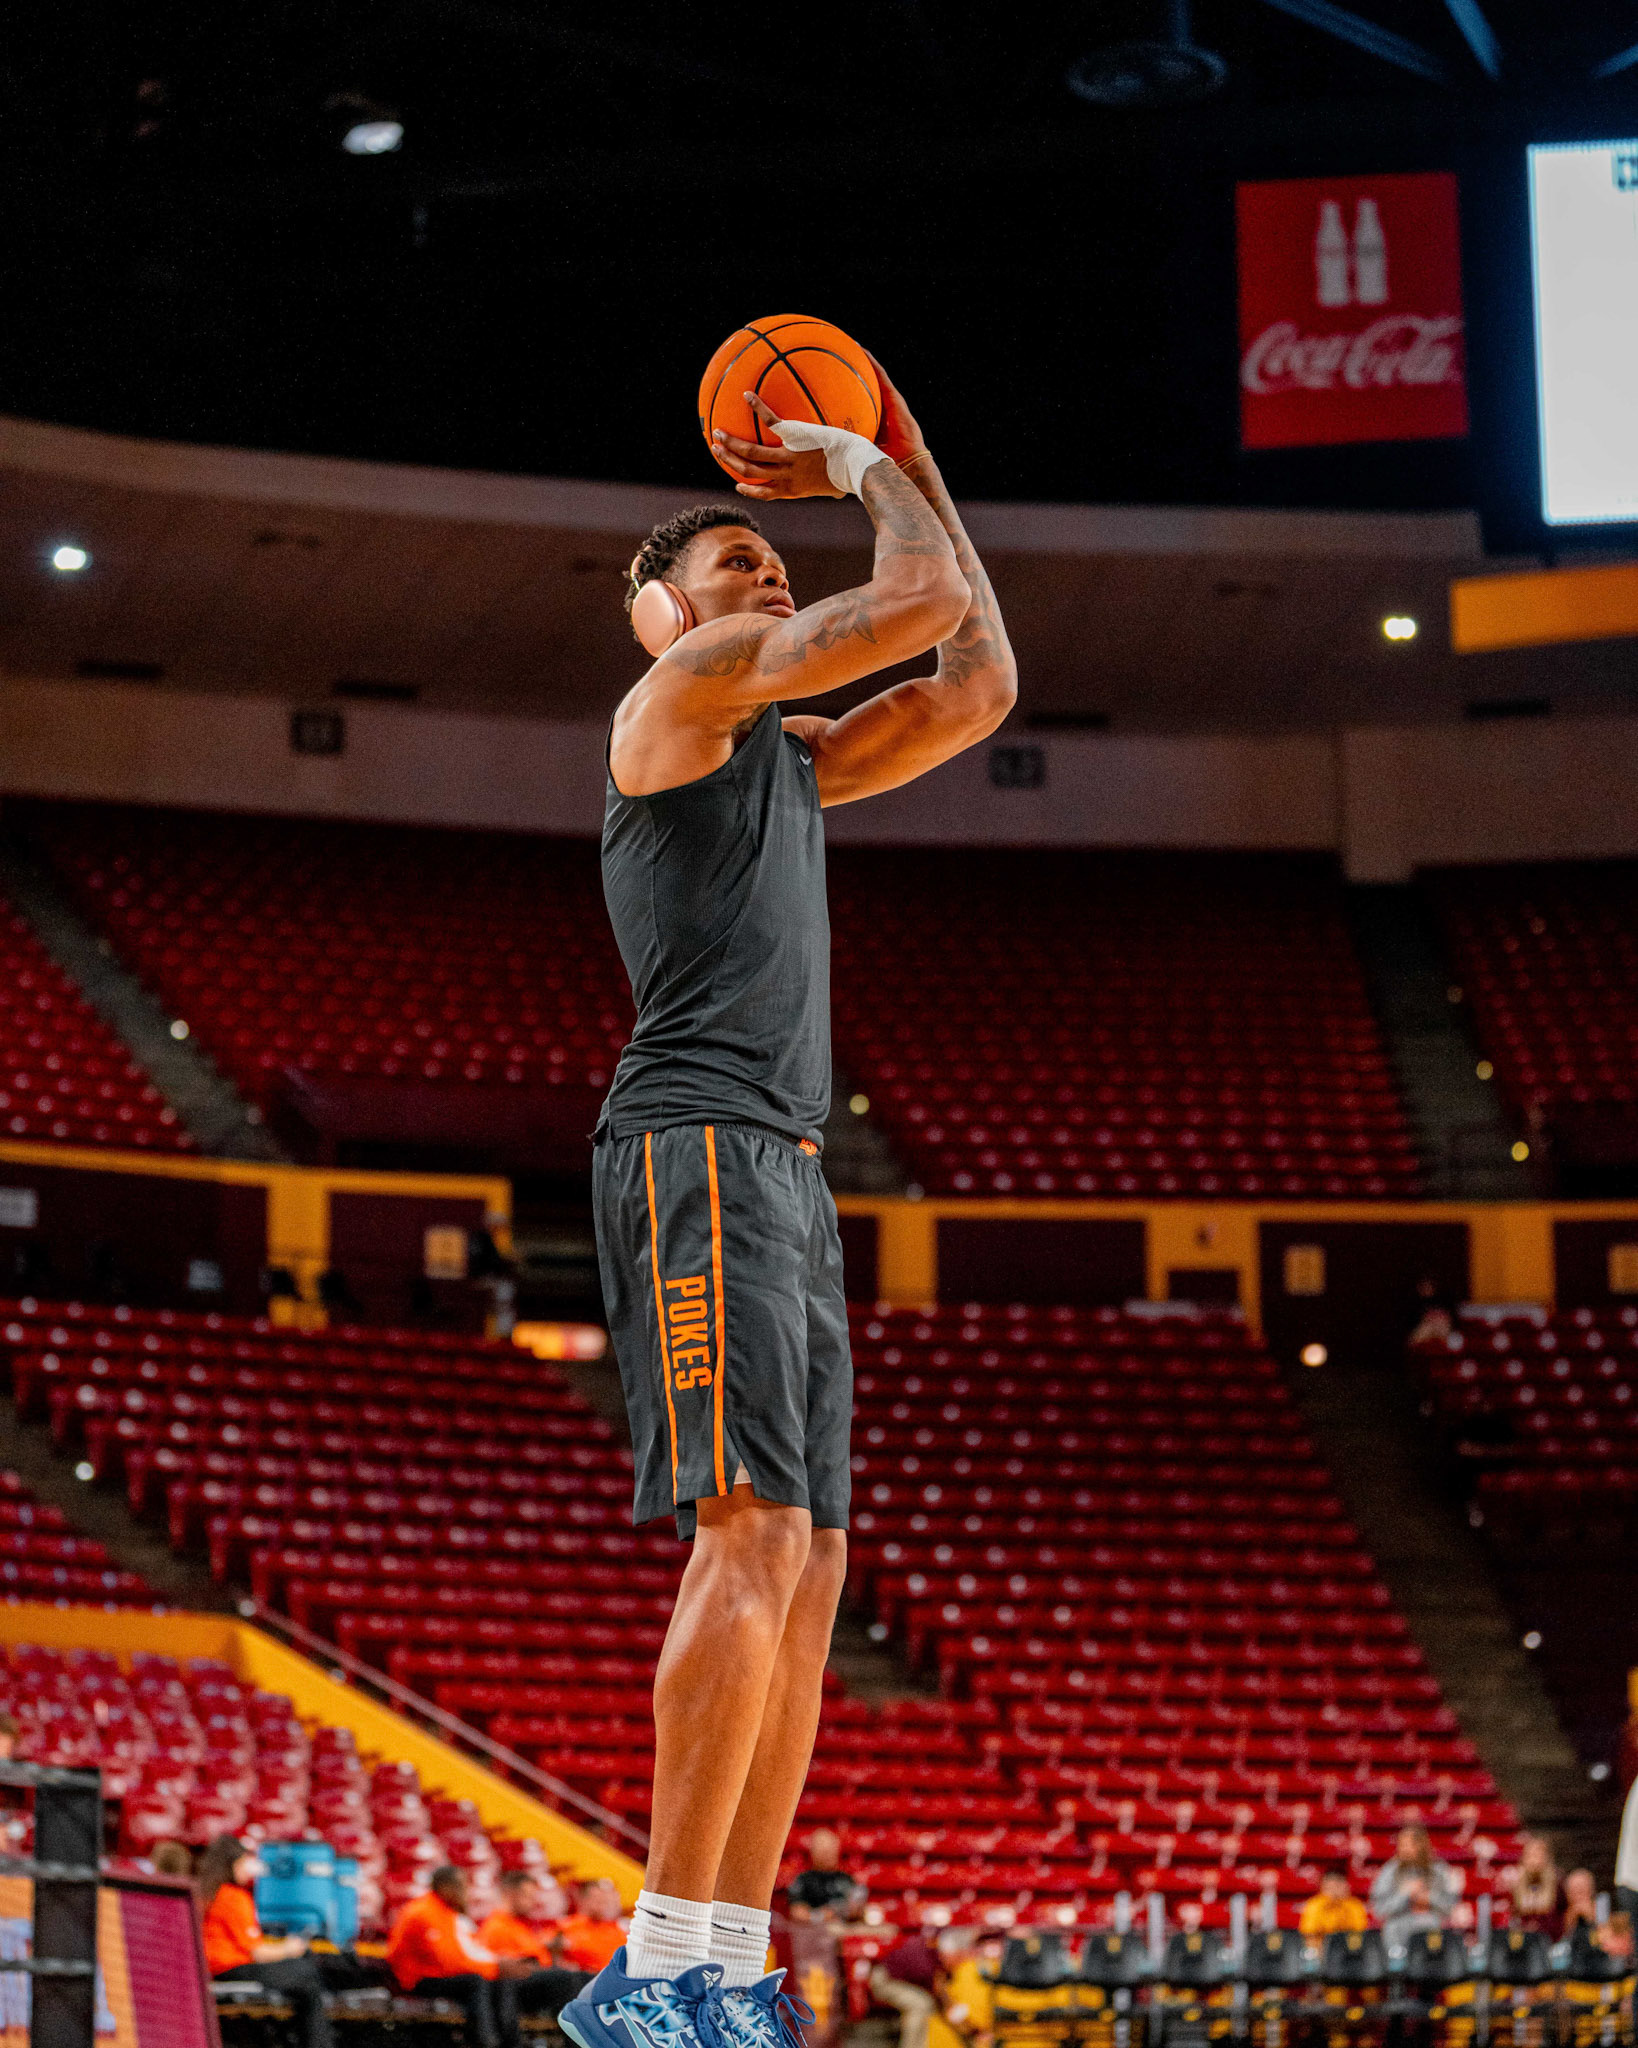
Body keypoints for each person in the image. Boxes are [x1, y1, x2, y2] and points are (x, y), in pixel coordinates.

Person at [567, 359, 1014, 2048]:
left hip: (784, 1161)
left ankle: (724, 1961)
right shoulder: (684, 693)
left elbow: (972, 670)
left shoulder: (790, 756)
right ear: (660, 613)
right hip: (693, 1140)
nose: (766, 570)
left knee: (815, 1562)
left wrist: (911, 456)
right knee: (749, 1531)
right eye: (737, 561)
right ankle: (656, 1964)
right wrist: (853, 464)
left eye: (776, 556)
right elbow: (901, 596)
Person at [196, 1835, 339, 2048]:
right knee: (307, 1975)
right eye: (244, 1863)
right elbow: (257, 1953)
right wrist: (290, 1948)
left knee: (299, 1975)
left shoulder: (207, 1893)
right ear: (232, 1864)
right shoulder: (233, 1897)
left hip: (213, 1969)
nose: (249, 1870)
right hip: (231, 1968)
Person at [386, 1865, 510, 2048]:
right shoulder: (423, 1912)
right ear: (445, 1887)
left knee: (500, 1984)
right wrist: (494, 1969)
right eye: (461, 1885)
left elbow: (466, 1952)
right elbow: (447, 1961)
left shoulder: (448, 1913)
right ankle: (484, 2042)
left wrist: (496, 1969)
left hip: (436, 1974)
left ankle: (508, 2042)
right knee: (475, 1982)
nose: (465, 1891)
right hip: (415, 1980)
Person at [479, 1869, 589, 2019]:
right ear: (511, 1895)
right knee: (568, 1979)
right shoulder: (496, 1926)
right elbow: (512, 1968)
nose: (534, 1902)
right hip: (515, 1990)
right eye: (528, 1896)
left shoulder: (519, 1925)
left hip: (538, 1981)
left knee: (586, 1978)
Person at [1370, 1825, 1459, 1946]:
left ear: (1421, 1845)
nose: (1403, 1849)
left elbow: (1451, 1907)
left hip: (1431, 1930)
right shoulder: (1390, 1870)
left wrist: (1429, 1898)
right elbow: (1379, 1909)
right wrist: (1405, 1893)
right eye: (1401, 1845)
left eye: (1409, 1845)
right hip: (1397, 1932)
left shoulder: (1439, 1869)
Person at [870, 1923, 942, 2048]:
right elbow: (927, 1979)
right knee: (921, 2004)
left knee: (925, 2002)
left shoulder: (927, 1949)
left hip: (896, 1979)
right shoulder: (921, 1949)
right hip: (885, 1980)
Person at [786, 1830, 862, 1925]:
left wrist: (854, 1910)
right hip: (813, 1933)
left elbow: (857, 1910)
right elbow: (797, 1912)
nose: (829, 1855)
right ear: (813, 1852)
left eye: (832, 1850)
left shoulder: (846, 1879)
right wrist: (821, 1916)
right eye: (824, 1851)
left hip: (841, 1931)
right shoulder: (803, 1880)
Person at [556, 1878, 628, 1974]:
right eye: (600, 1900)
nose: (606, 1904)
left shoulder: (624, 1930)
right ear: (584, 1900)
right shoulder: (565, 1926)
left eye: (610, 1899)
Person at [1505, 1834, 1561, 1934]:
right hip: (1525, 1939)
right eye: (1530, 1856)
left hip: (1549, 1938)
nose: (1535, 1861)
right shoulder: (1516, 1885)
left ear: (1547, 1858)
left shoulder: (1557, 1883)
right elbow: (1513, 1918)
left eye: (1539, 1855)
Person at [1299, 1868, 1370, 1939]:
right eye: (1330, 1886)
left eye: (1338, 1885)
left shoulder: (1354, 1905)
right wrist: (1329, 1902)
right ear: (1323, 1886)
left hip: (1347, 1946)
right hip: (1322, 1946)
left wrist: (1341, 1903)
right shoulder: (1314, 1904)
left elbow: (1361, 1931)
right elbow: (1309, 1932)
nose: (1334, 1890)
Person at [1560, 1867, 1599, 1942]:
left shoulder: (1600, 1907)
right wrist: (1572, 1917)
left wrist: (1591, 1917)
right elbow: (1562, 1937)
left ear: (1591, 1891)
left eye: (1581, 1891)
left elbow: (1604, 1937)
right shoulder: (1564, 1910)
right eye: (1573, 1892)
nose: (1578, 1896)